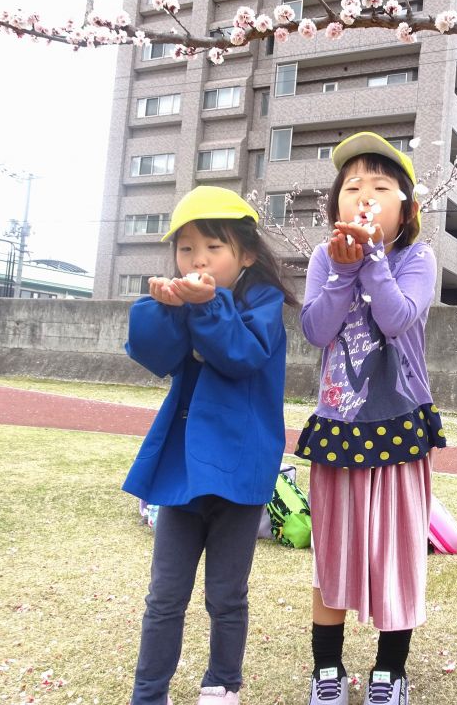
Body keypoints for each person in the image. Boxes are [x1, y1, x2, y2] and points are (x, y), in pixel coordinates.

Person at [123, 186, 297, 705]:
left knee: (227, 594)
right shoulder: (182, 301)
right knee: (165, 596)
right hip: (183, 473)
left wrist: (207, 304)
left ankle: (221, 685)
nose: (197, 259)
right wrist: (162, 306)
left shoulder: (261, 302)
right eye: (186, 248)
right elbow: (153, 353)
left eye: (212, 248)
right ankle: (148, 692)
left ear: (244, 254)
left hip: (239, 474)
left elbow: (241, 355)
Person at [295, 132, 447, 705]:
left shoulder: (418, 257)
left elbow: (397, 320)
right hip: (338, 424)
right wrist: (340, 271)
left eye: (381, 188)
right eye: (353, 186)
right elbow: (317, 330)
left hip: (400, 422)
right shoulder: (321, 259)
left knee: (397, 554)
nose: (364, 196)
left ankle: (390, 674)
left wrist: (374, 264)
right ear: (336, 204)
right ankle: (326, 672)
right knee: (331, 553)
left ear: (405, 208)